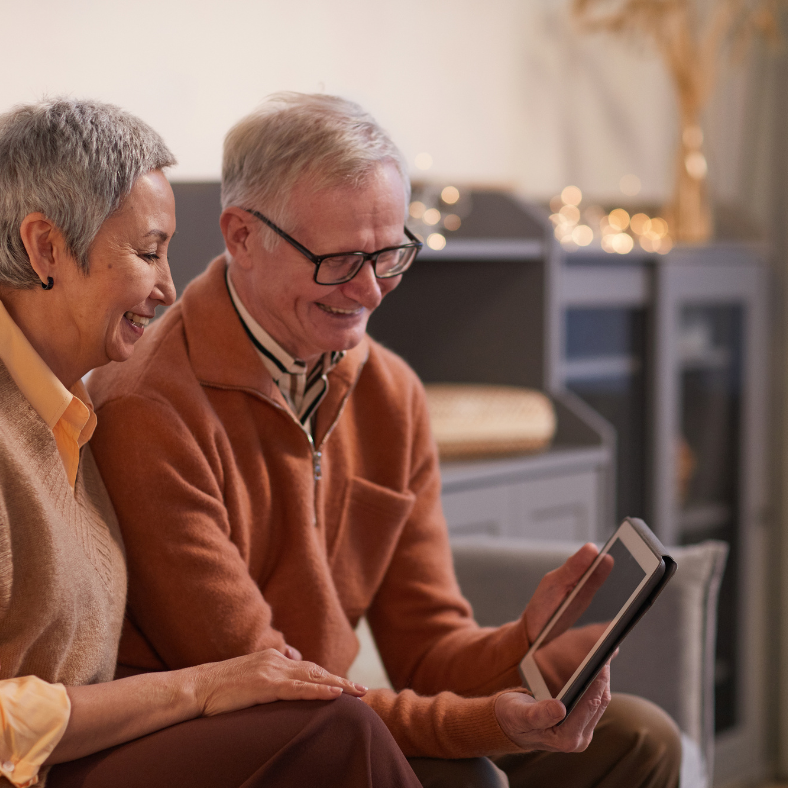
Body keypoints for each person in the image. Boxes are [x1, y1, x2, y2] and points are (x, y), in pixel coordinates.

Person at [88, 93, 682, 788]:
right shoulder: (149, 408)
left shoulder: (392, 393)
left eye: (391, 255)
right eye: (340, 261)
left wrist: (530, 642)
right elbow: (279, 686)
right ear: (242, 236)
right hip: (233, 744)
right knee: (473, 779)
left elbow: (428, 650)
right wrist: (489, 724)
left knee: (641, 739)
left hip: (337, 721)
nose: (371, 291)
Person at [0, 97, 422, 788]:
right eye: (147, 252)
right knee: (336, 732)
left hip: (86, 755)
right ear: (46, 247)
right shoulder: (129, 407)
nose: (168, 286)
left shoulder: (66, 410)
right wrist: (196, 689)